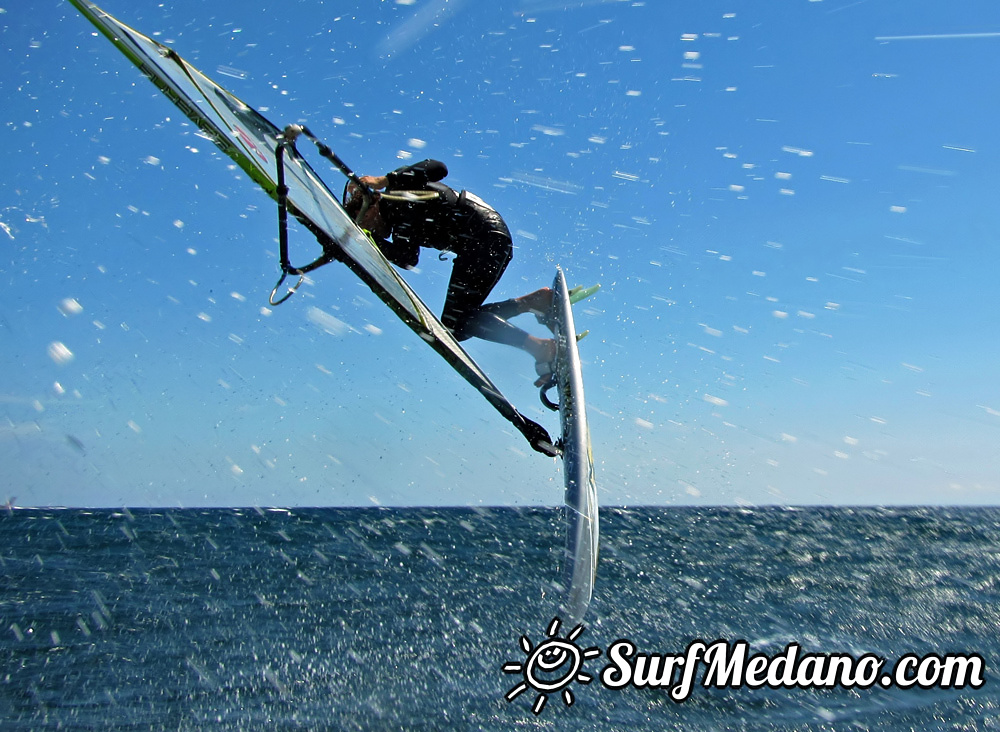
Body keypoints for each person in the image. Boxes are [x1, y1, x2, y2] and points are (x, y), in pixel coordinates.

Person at [345, 159, 557, 386]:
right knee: (456, 326)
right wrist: (367, 238)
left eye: (364, 220)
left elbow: (437, 167)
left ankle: (540, 345)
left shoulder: (398, 192)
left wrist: (384, 179)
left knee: (456, 325)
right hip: (482, 241)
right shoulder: (401, 218)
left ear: (371, 204)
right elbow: (407, 258)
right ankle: (534, 304)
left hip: (484, 237)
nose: (370, 228)